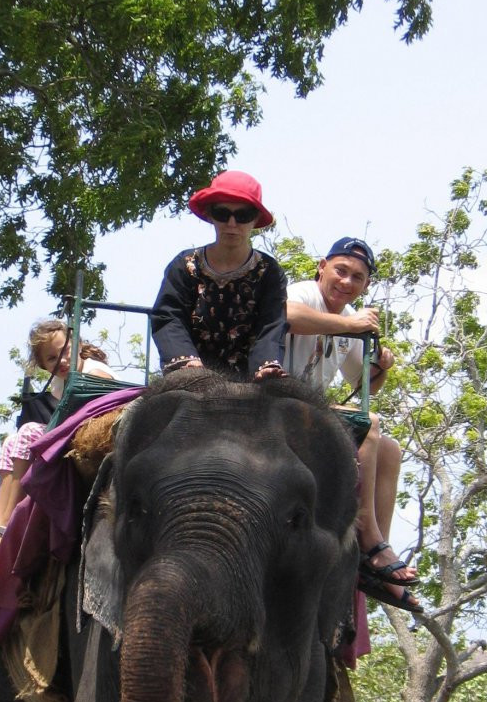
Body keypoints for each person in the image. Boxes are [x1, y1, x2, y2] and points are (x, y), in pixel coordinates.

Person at [286, 237, 421, 613]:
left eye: (357, 277)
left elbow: (365, 384)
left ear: (365, 285)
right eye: (340, 271)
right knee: (370, 423)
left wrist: (383, 368)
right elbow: (286, 316)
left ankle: (374, 553)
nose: (346, 282)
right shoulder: (305, 295)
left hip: (312, 410)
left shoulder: (351, 321)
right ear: (322, 267)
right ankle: (369, 536)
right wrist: (348, 323)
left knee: (390, 448)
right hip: (277, 397)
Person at [0, 319, 114, 566]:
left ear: (78, 345)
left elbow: (96, 397)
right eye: (51, 359)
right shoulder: (58, 386)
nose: (61, 361)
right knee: (11, 441)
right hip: (69, 433)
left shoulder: (93, 369)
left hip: (89, 432)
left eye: (64, 352)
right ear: (43, 366)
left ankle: (7, 524)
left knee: (29, 431)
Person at [151, 170, 287, 380]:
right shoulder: (183, 265)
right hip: (189, 379)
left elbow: (271, 325)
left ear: (255, 220)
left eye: (243, 216)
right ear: (209, 215)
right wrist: (186, 361)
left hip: (251, 384)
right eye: (222, 214)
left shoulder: (269, 271)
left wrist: (265, 366)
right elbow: (169, 316)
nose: (232, 224)